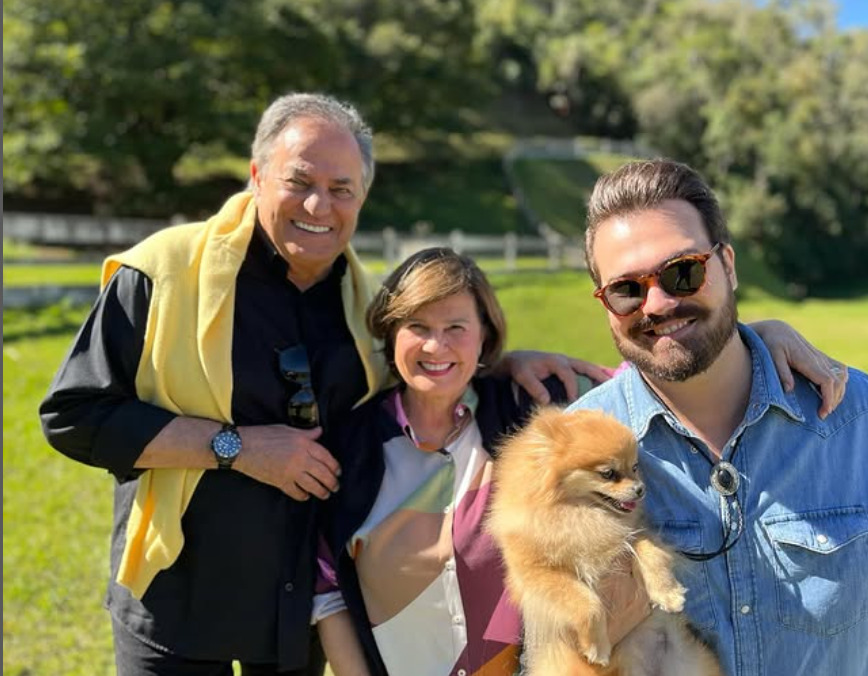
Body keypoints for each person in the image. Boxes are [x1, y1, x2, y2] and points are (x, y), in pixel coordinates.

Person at [38, 90, 843, 675]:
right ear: (255, 174)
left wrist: (754, 337)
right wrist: (237, 447)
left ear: (362, 197)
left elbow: (441, 359)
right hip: (180, 607)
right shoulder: (163, 273)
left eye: (342, 189)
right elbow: (74, 415)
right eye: (299, 181)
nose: (320, 205)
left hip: (289, 616)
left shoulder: (358, 305)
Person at [568, 158, 868, 676]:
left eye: (683, 273)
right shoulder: (570, 455)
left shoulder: (855, 419)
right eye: (626, 290)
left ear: (727, 265)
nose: (656, 304)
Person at [313, 248, 650, 676]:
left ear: (484, 336)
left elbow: (651, 382)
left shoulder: (531, 405)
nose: (435, 346)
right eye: (417, 326)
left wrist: (758, 338)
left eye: (456, 327)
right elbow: (328, 590)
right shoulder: (349, 445)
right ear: (391, 332)